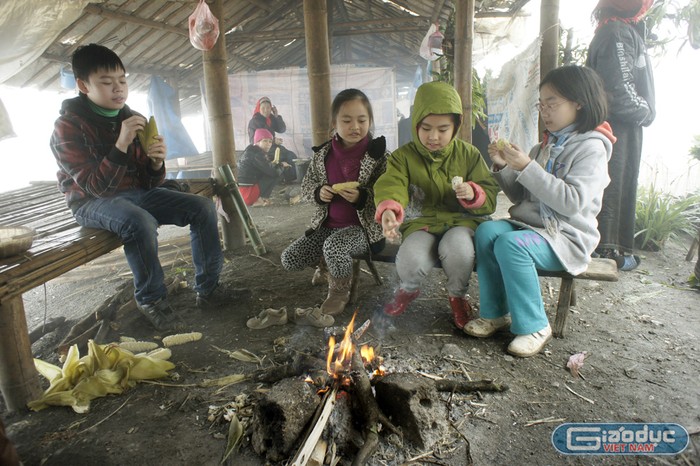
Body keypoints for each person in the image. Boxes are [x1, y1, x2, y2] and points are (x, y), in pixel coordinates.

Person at [50, 44, 248, 333]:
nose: (118, 89)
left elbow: (149, 184)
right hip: (90, 202)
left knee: (202, 207)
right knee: (139, 220)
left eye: (122, 80)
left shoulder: (133, 118)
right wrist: (120, 144)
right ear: (83, 85)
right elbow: (96, 186)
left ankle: (209, 290)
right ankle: (151, 299)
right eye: (106, 83)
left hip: (135, 194)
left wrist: (156, 163)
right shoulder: (67, 127)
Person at [464, 65, 615, 357]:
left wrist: (527, 166)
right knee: (487, 230)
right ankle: (496, 312)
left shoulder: (592, 149)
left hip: (567, 236)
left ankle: (534, 325)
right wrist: (503, 165)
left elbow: (571, 202)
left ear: (579, 102)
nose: (545, 111)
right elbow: (520, 195)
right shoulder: (543, 146)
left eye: (552, 103)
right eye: (541, 104)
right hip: (536, 228)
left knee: (511, 244)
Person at [374, 81, 499, 330]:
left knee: (459, 251)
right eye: (426, 128)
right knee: (409, 261)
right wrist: (390, 208)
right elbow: (392, 184)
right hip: (422, 223)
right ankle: (408, 290)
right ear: (416, 124)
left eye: (443, 129)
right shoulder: (403, 157)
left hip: (461, 222)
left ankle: (457, 297)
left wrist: (474, 193)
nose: (433, 136)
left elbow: (491, 195)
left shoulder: (469, 154)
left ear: (455, 127)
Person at [281, 89, 389, 316]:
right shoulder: (323, 154)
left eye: (362, 120)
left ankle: (339, 291)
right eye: (347, 120)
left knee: (335, 246)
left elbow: (388, 195)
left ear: (370, 121)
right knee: (290, 258)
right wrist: (319, 193)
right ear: (334, 123)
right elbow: (307, 187)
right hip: (327, 226)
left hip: (365, 230)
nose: (355, 127)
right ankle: (327, 266)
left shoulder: (379, 155)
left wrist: (363, 198)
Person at [586, 0, 656, 271]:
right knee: (613, 182)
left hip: (619, 124)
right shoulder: (616, 31)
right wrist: (646, 112)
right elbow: (619, 89)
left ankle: (610, 248)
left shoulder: (616, 29)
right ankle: (608, 251)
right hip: (618, 126)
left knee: (615, 181)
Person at [248, 96, 297, 184]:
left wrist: (276, 116)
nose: (266, 110)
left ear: (271, 108)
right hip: (262, 149)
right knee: (281, 158)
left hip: (273, 146)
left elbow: (282, 129)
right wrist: (273, 140)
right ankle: (281, 179)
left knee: (291, 155)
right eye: (263, 108)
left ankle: (289, 179)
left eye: (268, 108)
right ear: (259, 108)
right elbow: (253, 141)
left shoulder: (271, 118)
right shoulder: (255, 121)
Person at [238, 128, 288, 207]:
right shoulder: (257, 154)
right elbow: (274, 172)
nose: (268, 144)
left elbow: (267, 166)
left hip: (241, 194)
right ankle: (259, 199)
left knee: (273, 170)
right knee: (276, 173)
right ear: (257, 141)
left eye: (270, 141)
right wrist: (281, 165)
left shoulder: (250, 150)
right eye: (265, 141)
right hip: (248, 195)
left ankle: (260, 198)